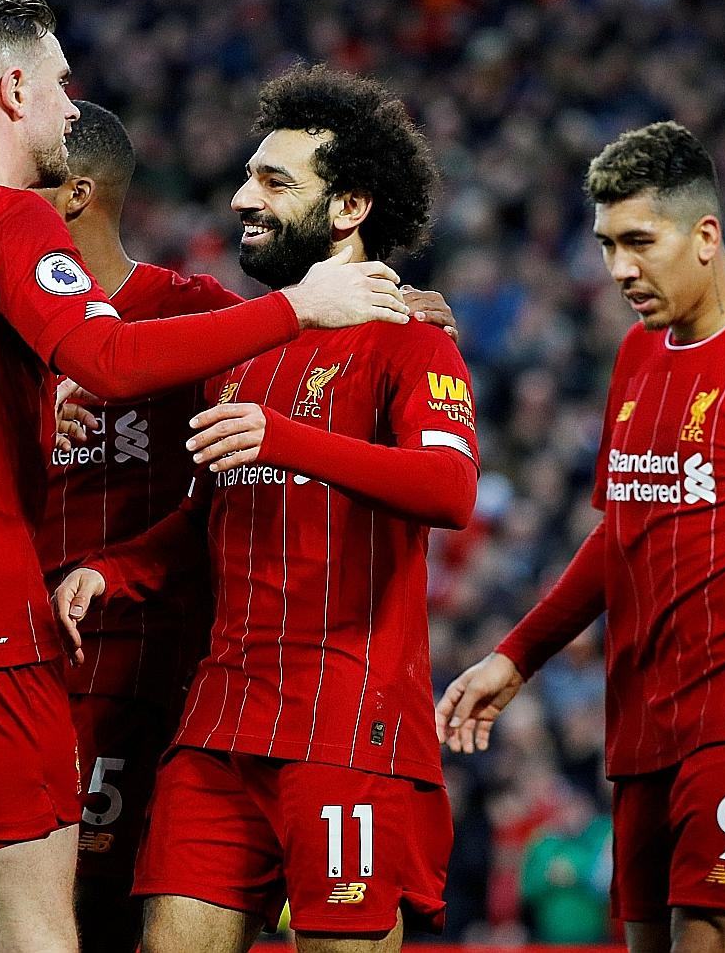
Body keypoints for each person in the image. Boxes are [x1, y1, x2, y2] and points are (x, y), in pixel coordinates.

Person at [0, 0, 414, 953]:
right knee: (40, 934)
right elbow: (115, 362)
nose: (67, 105)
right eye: (57, 85)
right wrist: (303, 303)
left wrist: (19, 418)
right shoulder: (6, 217)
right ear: (12, 91)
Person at [435, 121, 725, 953]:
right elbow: (622, 533)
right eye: (608, 245)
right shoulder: (637, 358)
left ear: (706, 236)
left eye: (640, 242)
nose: (619, 270)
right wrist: (517, 656)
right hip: (642, 709)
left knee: (712, 935)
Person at [53, 65, 479, 953]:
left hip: (345, 722)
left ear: (350, 206)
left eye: (274, 182)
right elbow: (203, 519)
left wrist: (285, 440)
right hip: (219, 720)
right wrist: (112, 570)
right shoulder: (246, 353)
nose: (243, 196)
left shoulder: (410, 341)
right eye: (248, 175)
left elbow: (450, 491)